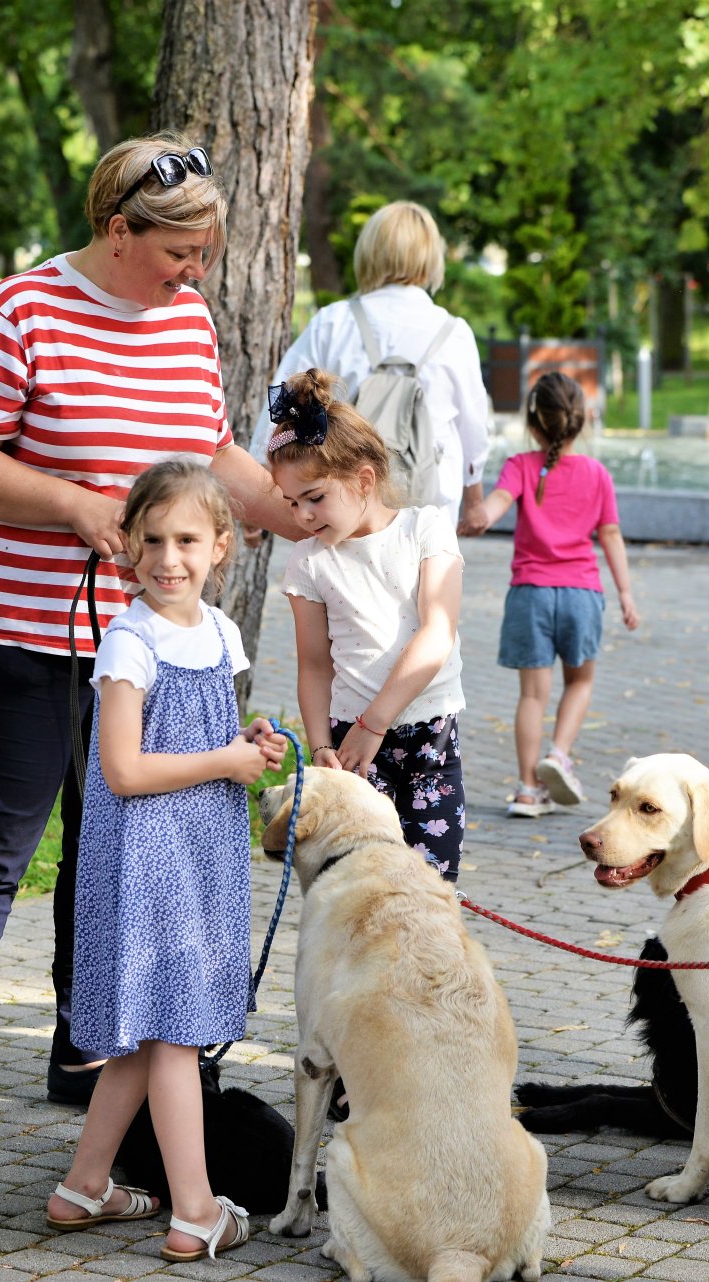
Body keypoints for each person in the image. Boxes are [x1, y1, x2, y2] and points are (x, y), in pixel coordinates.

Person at [0, 132, 303, 1148]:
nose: (195, 273)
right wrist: (73, 505)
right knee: (0, 844)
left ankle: (85, 1047)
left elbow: (210, 450)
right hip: (27, 627)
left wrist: (289, 507)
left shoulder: (187, 323)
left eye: (206, 254)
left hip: (150, 640)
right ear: (117, 229)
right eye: (180, 253)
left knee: (109, 844)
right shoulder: (21, 311)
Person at [44, 461, 281, 1260]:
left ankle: (83, 1187)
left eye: (186, 540)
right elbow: (124, 770)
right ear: (130, 548)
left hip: (200, 854)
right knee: (175, 1034)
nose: (168, 557)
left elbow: (212, 731)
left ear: (223, 547)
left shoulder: (220, 632)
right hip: (148, 862)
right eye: (152, 540)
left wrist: (248, 745)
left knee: (150, 1039)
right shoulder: (129, 640)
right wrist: (222, 761)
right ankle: (195, 1210)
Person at [270, 368, 467, 879]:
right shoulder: (308, 562)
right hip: (352, 751)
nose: (303, 516)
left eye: (314, 497)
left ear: (362, 479)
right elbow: (314, 666)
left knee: (432, 886)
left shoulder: (426, 530)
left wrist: (374, 724)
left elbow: (436, 633)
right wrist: (320, 750)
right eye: (291, 503)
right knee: (359, 885)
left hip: (429, 738)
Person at [252, 201, 491, 534]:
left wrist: (260, 492)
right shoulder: (453, 333)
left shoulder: (334, 321)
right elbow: (474, 427)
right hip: (428, 512)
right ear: (431, 257)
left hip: (344, 507)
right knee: (427, 583)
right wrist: (475, 502)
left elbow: (281, 404)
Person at [470, 371, 638, 818]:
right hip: (582, 592)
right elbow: (611, 534)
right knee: (580, 681)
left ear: (532, 422)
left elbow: (494, 508)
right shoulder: (597, 473)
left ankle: (528, 789)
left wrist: (473, 516)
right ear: (581, 421)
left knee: (532, 696)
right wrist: (625, 593)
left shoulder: (521, 465)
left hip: (531, 594)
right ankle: (559, 753)